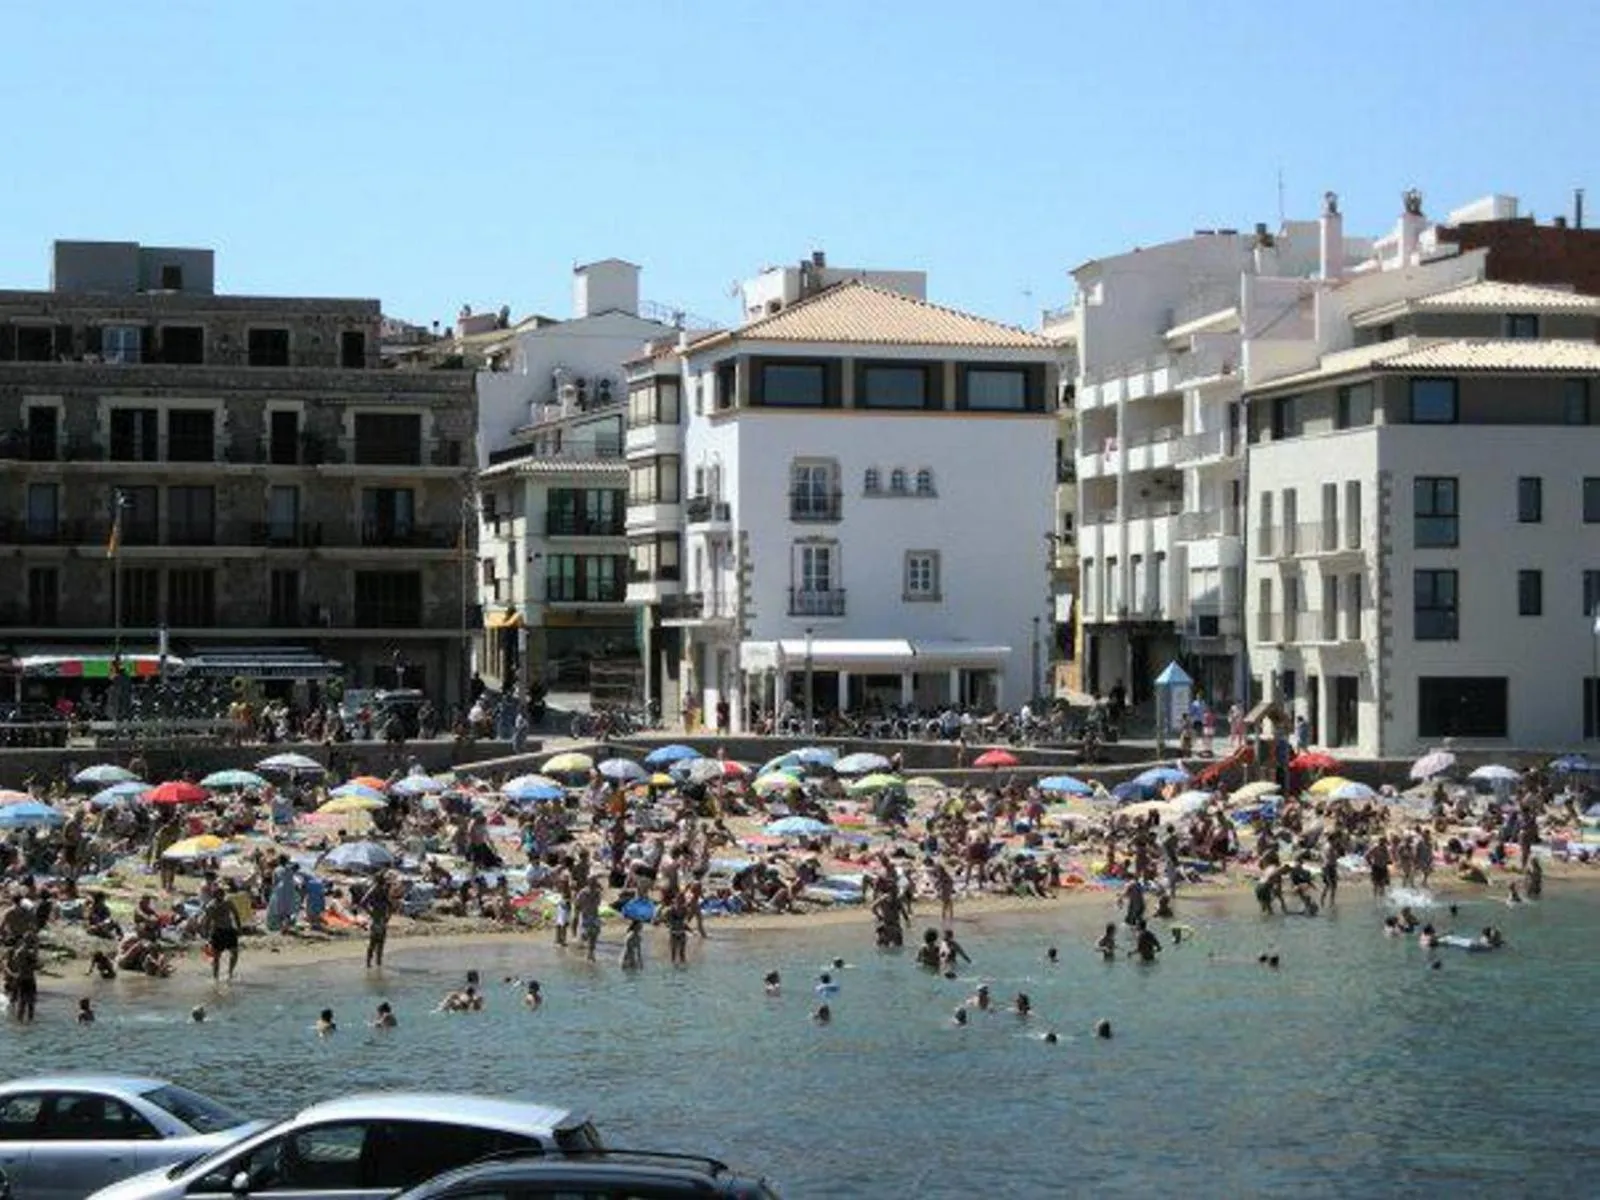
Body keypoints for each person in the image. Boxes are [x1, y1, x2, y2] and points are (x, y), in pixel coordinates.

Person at [200, 887, 240, 982]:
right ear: (214, 895)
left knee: (234, 953)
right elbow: (207, 920)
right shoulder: (211, 906)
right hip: (218, 931)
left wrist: (239, 927)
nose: (221, 896)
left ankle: (230, 973)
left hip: (229, 930)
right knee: (217, 956)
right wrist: (205, 934)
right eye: (218, 894)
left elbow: (236, 914)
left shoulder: (228, 902)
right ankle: (215, 978)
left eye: (222, 894)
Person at [360, 872, 394, 970]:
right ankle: (370, 963)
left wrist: (388, 915)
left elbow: (389, 904)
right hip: (378, 917)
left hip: (380, 917)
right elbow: (363, 902)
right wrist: (371, 913)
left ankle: (376, 963)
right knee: (375, 941)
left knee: (379, 941)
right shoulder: (375, 889)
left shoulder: (381, 889)